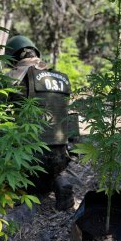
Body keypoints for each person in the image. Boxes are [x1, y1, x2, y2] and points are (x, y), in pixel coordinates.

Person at [5, 35, 74, 210]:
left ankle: (23, 189)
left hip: (30, 157)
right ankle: (57, 179)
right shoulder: (61, 78)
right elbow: (70, 118)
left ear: (13, 58)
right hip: (62, 155)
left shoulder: (12, 77)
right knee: (48, 170)